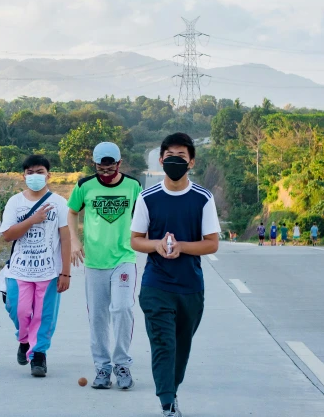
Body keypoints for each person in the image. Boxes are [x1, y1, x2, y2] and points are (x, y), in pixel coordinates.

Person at [130, 133, 220, 417]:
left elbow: (211, 243)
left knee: (181, 348)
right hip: (156, 285)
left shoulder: (202, 199)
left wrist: (181, 247)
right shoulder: (148, 198)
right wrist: (156, 245)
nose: (174, 162)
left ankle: (172, 390)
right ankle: (167, 403)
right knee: (163, 344)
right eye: (169, 157)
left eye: (180, 157)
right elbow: (135, 240)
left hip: (190, 288)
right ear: (160, 160)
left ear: (191, 162)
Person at [67, 142, 143, 390]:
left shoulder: (133, 186)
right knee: (98, 317)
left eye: (110, 167)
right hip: (95, 261)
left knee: (122, 308)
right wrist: (75, 241)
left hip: (124, 258)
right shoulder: (84, 186)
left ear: (119, 164)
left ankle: (122, 363)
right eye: (101, 167)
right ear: (95, 164)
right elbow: (71, 212)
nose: (106, 172)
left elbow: (143, 216)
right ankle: (102, 367)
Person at [0, 155, 71, 377]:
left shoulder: (59, 203)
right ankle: (24, 340)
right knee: (18, 309)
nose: (34, 176)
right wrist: (32, 220)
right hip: (19, 269)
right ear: (23, 176)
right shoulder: (15, 202)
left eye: (39, 172)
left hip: (48, 271)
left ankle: (38, 355)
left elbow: (66, 238)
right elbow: (8, 235)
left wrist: (65, 273)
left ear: (49, 175)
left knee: (44, 315)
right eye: (30, 172)